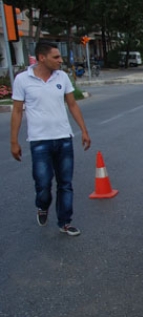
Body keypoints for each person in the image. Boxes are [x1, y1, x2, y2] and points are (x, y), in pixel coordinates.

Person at [10, 40, 91, 236]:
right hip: (39, 141)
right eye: (56, 57)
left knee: (65, 184)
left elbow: (72, 105)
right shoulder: (22, 79)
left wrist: (83, 130)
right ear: (41, 58)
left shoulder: (62, 77)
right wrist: (14, 142)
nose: (60, 60)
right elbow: (17, 111)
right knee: (43, 184)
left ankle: (65, 222)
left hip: (64, 138)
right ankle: (42, 205)